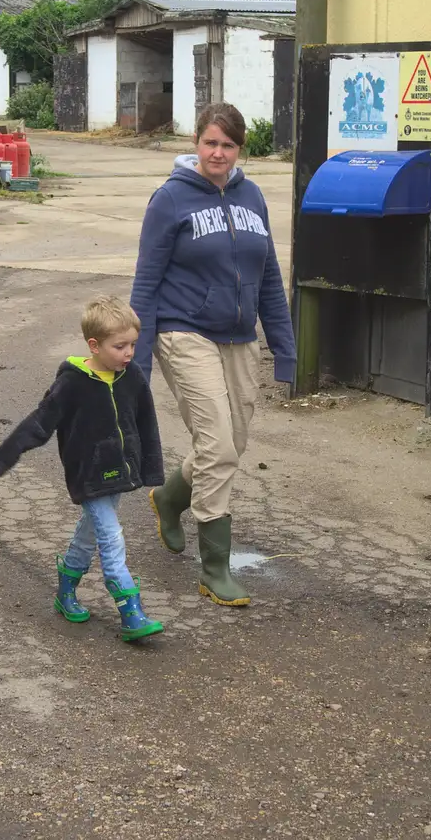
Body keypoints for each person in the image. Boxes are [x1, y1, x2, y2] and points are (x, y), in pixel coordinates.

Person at [129, 102, 296, 607]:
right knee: (218, 445)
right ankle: (214, 569)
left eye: (227, 145)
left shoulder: (253, 196)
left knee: (232, 441)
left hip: (239, 337)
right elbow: (146, 282)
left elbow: (269, 277)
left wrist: (285, 350)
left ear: (239, 148)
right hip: (184, 333)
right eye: (210, 143)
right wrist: (136, 361)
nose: (218, 153)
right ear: (195, 143)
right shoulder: (170, 200)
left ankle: (171, 497)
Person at [0, 297, 166, 643]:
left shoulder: (132, 376)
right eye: (119, 346)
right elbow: (41, 421)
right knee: (111, 538)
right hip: (88, 472)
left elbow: (147, 423)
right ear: (94, 346)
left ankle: (65, 591)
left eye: (132, 345)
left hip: (120, 471)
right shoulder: (73, 383)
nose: (129, 353)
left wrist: (150, 469)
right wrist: (3, 456)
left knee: (89, 533)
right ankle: (131, 612)